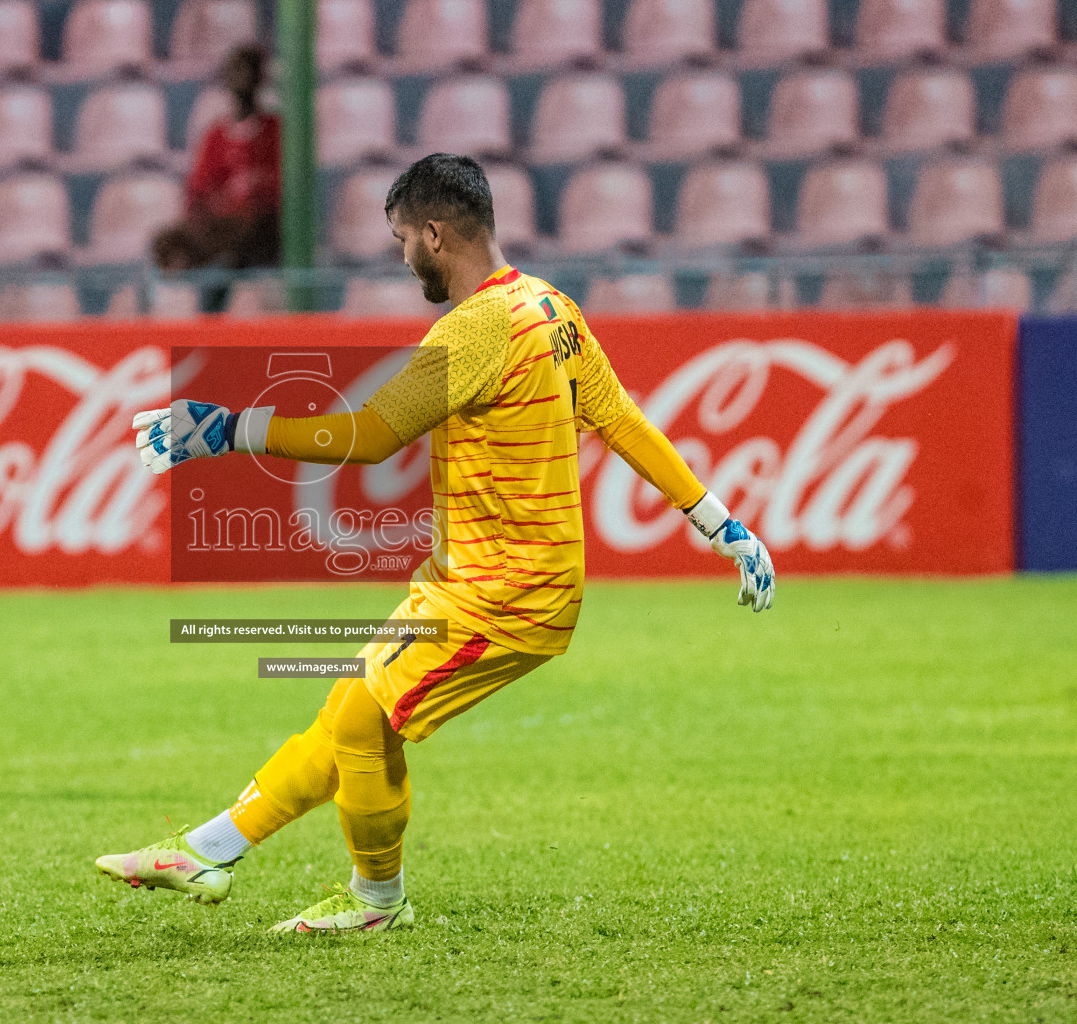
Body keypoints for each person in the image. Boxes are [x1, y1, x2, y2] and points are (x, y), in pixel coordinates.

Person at [105, 154, 776, 934]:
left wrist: (228, 428)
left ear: (434, 232)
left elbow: (367, 436)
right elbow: (623, 419)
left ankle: (372, 904)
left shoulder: (475, 330)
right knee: (344, 716)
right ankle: (205, 850)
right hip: (468, 581)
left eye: (401, 240)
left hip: (508, 596)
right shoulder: (550, 307)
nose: (400, 257)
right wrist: (721, 523)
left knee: (361, 719)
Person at [152, 44, 280, 275]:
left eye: (249, 70)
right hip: (221, 226)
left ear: (260, 78)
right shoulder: (216, 136)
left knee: (255, 233)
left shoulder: (276, 131)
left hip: (262, 226)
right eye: (237, 70)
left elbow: (284, 191)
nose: (243, 79)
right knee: (167, 243)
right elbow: (199, 192)